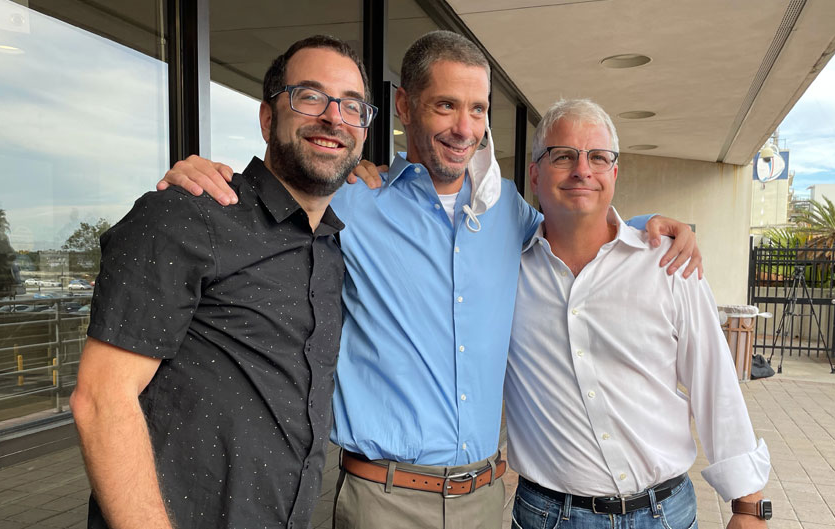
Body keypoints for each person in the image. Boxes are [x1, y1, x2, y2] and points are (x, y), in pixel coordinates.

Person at [161, 31, 701, 528]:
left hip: (488, 501)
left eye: (477, 110)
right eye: (445, 105)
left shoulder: (508, 212)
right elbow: (274, 207)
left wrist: (643, 228)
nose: (464, 128)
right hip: (383, 501)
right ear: (403, 105)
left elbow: (576, 237)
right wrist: (207, 176)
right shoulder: (349, 202)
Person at [69, 35, 374, 529]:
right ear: (267, 118)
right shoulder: (187, 214)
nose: (334, 117)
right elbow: (101, 400)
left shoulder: (331, 249)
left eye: (352, 106)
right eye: (310, 96)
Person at [505, 98, 771, 529]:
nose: (582, 170)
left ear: (614, 172)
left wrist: (748, 505)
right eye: (563, 156)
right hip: (548, 516)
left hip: (665, 513)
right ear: (535, 173)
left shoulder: (669, 264)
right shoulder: (505, 270)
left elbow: (714, 379)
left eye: (598, 157)